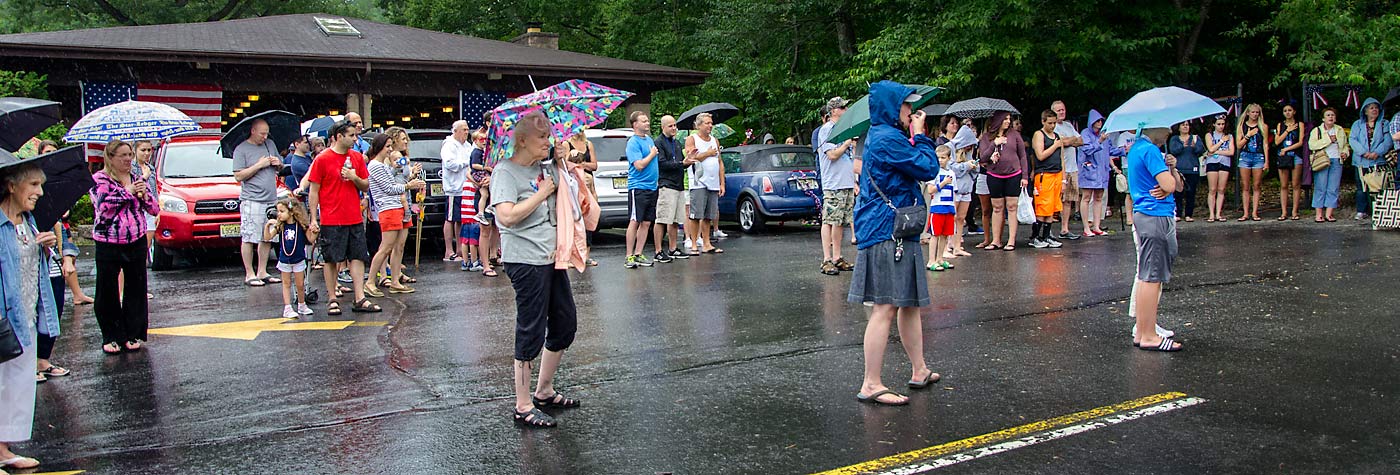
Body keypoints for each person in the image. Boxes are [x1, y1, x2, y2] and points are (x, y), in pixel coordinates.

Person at [849, 80, 940, 406]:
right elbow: (928, 167)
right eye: (906, 107)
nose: (911, 112)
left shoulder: (884, 136)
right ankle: (871, 383)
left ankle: (919, 370)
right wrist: (921, 134)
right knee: (885, 307)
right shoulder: (889, 138)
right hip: (889, 232)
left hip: (896, 230)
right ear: (892, 108)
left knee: (908, 303)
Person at [491, 111, 581, 428]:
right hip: (525, 259)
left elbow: (566, 198)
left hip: (550, 256)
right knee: (530, 327)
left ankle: (543, 390)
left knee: (565, 323)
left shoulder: (545, 167)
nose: (548, 141)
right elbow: (506, 216)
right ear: (522, 140)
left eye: (549, 136)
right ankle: (523, 404)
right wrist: (541, 193)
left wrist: (560, 164)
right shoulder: (505, 172)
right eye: (542, 137)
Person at [0, 157, 61, 472]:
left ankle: (4, 449)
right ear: (12, 186)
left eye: (41, 185)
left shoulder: (29, 222)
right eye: (33, 185)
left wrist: (45, 248)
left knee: (18, 382)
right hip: (3, 316)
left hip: (25, 314)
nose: (39, 192)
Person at [91, 140, 158, 354]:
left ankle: (133, 333)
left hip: (135, 239)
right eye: (123, 155)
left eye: (130, 154)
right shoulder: (100, 179)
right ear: (111, 158)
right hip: (108, 241)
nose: (128, 159)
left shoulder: (137, 178)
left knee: (136, 287)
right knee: (107, 289)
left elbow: (154, 209)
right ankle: (111, 335)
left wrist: (144, 195)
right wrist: (127, 191)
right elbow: (103, 207)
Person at [308, 120, 379, 315]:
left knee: (357, 257)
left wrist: (354, 177)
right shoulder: (322, 159)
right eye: (351, 135)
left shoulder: (356, 157)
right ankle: (332, 297)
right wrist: (314, 218)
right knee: (331, 259)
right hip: (331, 217)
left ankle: (359, 297)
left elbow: (366, 185)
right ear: (339, 136)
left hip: (354, 216)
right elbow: (314, 190)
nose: (355, 139)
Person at [1125, 127, 1184, 352]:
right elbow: (1170, 186)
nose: (1169, 130)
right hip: (1155, 214)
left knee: (1145, 275)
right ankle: (1149, 335)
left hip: (1146, 214)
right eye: (1165, 126)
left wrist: (1170, 169)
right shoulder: (1149, 150)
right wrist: (1166, 179)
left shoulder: (1137, 148)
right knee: (1152, 276)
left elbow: (1172, 184)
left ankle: (1143, 330)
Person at [365, 134, 425, 296]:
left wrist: (408, 181)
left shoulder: (384, 166)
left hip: (398, 206)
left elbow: (394, 184)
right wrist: (409, 185)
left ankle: (395, 280)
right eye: (387, 146)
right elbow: (389, 188)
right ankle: (370, 281)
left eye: (391, 146)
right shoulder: (376, 166)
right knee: (386, 247)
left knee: (399, 246)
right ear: (379, 148)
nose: (390, 149)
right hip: (388, 208)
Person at [232, 119, 284, 287]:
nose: (265, 136)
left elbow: (280, 166)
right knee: (249, 236)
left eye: (267, 133)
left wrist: (278, 164)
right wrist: (259, 165)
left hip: (271, 197)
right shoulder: (241, 149)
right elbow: (239, 176)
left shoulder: (270, 144)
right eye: (262, 133)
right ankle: (249, 273)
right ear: (253, 131)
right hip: (252, 199)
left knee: (267, 236)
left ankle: (263, 270)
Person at [817, 97, 857, 275]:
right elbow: (832, 155)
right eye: (843, 107)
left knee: (841, 221)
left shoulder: (843, 129)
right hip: (833, 183)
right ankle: (826, 259)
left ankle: (837, 257)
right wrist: (847, 142)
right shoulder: (827, 130)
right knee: (829, 220)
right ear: (834, 111)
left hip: (846, 181)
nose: (846, 109)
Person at [978, 111, 1029, 251]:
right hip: (994, 175)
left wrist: (1025, 176)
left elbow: (1023, 156)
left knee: (1012, 207)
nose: (1007, 122)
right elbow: (982, 158)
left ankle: (1011, 240)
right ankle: (996, 240)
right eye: (1005, 119)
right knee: (997, 208)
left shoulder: (1014, 135)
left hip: (1014, 174)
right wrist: (994, 144)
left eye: (1009, 119)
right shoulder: (987, 137)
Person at [264, 197, 315, 318]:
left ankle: (302, 304)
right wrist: (267, 226)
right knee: (286, 283)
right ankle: (287, 308)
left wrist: (315, 232)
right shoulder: (280, 226)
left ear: (291, 212)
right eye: (278, 212)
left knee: (300, 284)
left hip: (298, 259)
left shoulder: (301, 226)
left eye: (282, 211)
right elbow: (267, 238)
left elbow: (311, 240)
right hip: (285, 260)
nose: (279, 215)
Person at [685, 113, 726, 255]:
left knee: (709, 215)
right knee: (696, 214)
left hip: (713, 182)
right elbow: (691, 157)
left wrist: (722, 183)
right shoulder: (692, 139)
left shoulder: (715, 140)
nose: (710, 125)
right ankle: (695, 243)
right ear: (699, 125)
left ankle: (707, 243)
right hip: (699, 182)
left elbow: (720, 162)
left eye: (711, 123)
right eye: (707, 123)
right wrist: (707, 153)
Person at [1078, 110, 1123, 234]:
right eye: (1097, 120)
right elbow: (1087, 150)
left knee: (1099, 197)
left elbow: (1110, 150)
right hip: (1089, 171)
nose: (1100, 123)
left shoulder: (1103, 134)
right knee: (1086, 197)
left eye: (1101, 120)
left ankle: (1097, 226)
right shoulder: (1085, 134)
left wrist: (1124, 150)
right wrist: (1099, 141)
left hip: (1102, 171)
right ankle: (1086, 227)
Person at [624, 111, 659, 268]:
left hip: (652, 187)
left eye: (647, 120)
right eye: (644, 121)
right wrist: (652, 154)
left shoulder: (649, 140)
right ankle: (629, 256)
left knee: (646, 222)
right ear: (635, 124)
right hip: (638, 187)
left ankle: (639, 253)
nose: (647, 123)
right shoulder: (633, 143)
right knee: (635, 221)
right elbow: (638, 165)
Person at [1030, 109, 1068, 249]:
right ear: (1043, 121)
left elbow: (1061, 159)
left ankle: (1046, 236)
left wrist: (1064, 179)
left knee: (1052, 207)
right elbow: (1040, 155)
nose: (1052, 126)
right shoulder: (1038, 135)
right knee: (1043, 207)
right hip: (1044, 175)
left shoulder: (1057, 136)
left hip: (1056, 174)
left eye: (1054, 123)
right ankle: (1036, 236)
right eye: (1050, 123)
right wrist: (1055, 145)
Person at [652, 115, 688, 263]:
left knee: (675, 219)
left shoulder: (677, 143)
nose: (674, 128)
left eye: (675, 125)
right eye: (670, 126)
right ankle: (658, 251)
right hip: (666, 184)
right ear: (663, 127)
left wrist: (688, 162)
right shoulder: (658, 143)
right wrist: (681, 163)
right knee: (662, 218)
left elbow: (680, 162)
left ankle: (673, 248)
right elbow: (662, 164)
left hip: (678, 184)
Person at [1349, 98, 1392, 220]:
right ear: (1365, 111)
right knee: (1361, 187)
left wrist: (1377, 152)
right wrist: (1363, 152)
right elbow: (1352, 139)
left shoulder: (1384, 123)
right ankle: (1361, 211)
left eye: (1376, 107)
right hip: (1361, 161)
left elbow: (1388, 140)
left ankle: (1378, 211)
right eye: (1371, 107)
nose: (1374, 110)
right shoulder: (1357, 124)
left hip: (1378, 161)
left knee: (1379, 186)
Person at [564, 130, 599, 267]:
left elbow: (594, 165)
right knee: (574, 222)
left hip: (588, 186)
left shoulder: (588, 144)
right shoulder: (567, 144)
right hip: (574, 188)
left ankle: (586, 256)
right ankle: (571, 256)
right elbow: (565, 165)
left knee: (588, 222)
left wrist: (581, 164)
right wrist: (572, 159)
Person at [440, 121, 474, 261]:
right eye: (464, 130)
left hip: (465, 187)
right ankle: (449, 251)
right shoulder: (449, 145)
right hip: (453, 188)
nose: (467, 132)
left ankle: (460, 249)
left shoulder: (467, 145)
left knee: (460, 219)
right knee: (450, 218)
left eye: (467, 130)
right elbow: (450, 164)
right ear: (456, 131)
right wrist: (466, 163)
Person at [1309, 108, 1350, 222]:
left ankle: (1329, 213)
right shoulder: (1317, 130)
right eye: (1328, 115)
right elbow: (1312, 145)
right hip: (1322, 160)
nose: (1331, 117)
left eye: (1332, 115)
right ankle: (1318, 214)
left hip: (1336, 160)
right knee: (1320, 187)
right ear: (1323, 118)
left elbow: (1345, 145)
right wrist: (1328, 140)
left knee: (1333, 187)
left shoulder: (1340, 129)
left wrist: (1345, 153)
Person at [1051, 101, 1085, 240]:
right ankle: (1048, 230)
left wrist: (1069, 140)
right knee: (1055, 199)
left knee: (1069, 199)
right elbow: (1061, 142)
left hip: (1073, 167)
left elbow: (1081, 140)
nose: (1062, 112)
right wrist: (1071, 141)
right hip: (1059, 168)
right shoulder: (1053, 127)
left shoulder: (1069, 125)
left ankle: (1064, 229)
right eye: (1058, 110)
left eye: (1063, 110)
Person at [470, 130, 500, 276]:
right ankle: (485, 264)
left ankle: (494, 256)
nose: (485, 142)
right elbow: (468, 172)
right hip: (484, 194)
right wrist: (479, 182)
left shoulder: (496, 153)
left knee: (498, 228)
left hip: (497, 193)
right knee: (485, 229)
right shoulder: (477, 152)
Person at [1234, 104, 1270, 221]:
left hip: (1258, 156)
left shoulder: (1263, 126)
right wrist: (1248, 135)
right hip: (1245, 156)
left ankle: (1254, 212)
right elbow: (1238, 145)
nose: (1255, 114)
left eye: (1257, 112)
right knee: (1245, 185)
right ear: (1248, 113)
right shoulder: (1241, 126)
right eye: (1253, 112)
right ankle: (1245, 212)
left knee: (1257, 185)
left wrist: (1266, 160)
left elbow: (1265, 144)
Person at [947, 126, 978, 257]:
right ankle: (948, 244)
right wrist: (966, 166)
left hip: (966, 189)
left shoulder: (968, 151)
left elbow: (974, 170)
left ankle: (957, 246)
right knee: (951, 218)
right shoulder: (949, 147)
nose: (970, 148)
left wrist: (974, 166)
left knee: (961, 218)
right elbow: (949, 167)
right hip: (954, 189)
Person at [1167, 120, 1205, 223]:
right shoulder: (1174, 139)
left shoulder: (1195, 138)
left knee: (1191, 192)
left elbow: (1200, 150)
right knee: (1178, 193)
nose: (1185, 127)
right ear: (1178, 127)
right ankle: (1178, 213)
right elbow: (1173, 150)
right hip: (1179, 169)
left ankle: (1189, 214)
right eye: (1183, 125)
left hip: (1193, 169)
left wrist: (1194, 146)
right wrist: (1182, 145)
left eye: (1187, 125)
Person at [926, 145, 956, 271]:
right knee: (935, 234)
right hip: (937, 207)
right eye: (938, 157)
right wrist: (943, 183)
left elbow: (954, 191)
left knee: (945, 234)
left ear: (949, 158)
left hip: (949, 207)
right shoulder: (934, 172)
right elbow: (930, 190)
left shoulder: (951, 173)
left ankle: (940, 258)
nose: (940, 160)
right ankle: (931, 260)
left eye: (943, 157)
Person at [1273, 104, 1306, 220]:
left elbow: (1300, 142)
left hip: (1295, 155)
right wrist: (1287, 130)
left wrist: (1286, 149)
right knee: (1283, 185)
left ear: (1294, 112)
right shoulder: (1280, 125)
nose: (1287, 112)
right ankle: (1283, 212)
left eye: (1290, 110)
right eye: (1285, 111)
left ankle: (1294, 211)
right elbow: (1277, 142)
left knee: (1296, 184)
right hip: (1283, 157)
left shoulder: (1300, 124)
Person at [1203, 116, 1234, 222]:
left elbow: (1231, 152)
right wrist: (1221, 141)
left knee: (1221, 189)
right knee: (1212, 189)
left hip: (1224, 163)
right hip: (1212, 163)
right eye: (1219, 124)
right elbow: (1210, 148)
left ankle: (1218, 213)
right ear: (1214, 124)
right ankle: (1211, 214)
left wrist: (1215, 151)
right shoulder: (1209, 135)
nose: (1221, 126)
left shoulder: (1229, 136)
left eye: (1222, 124)